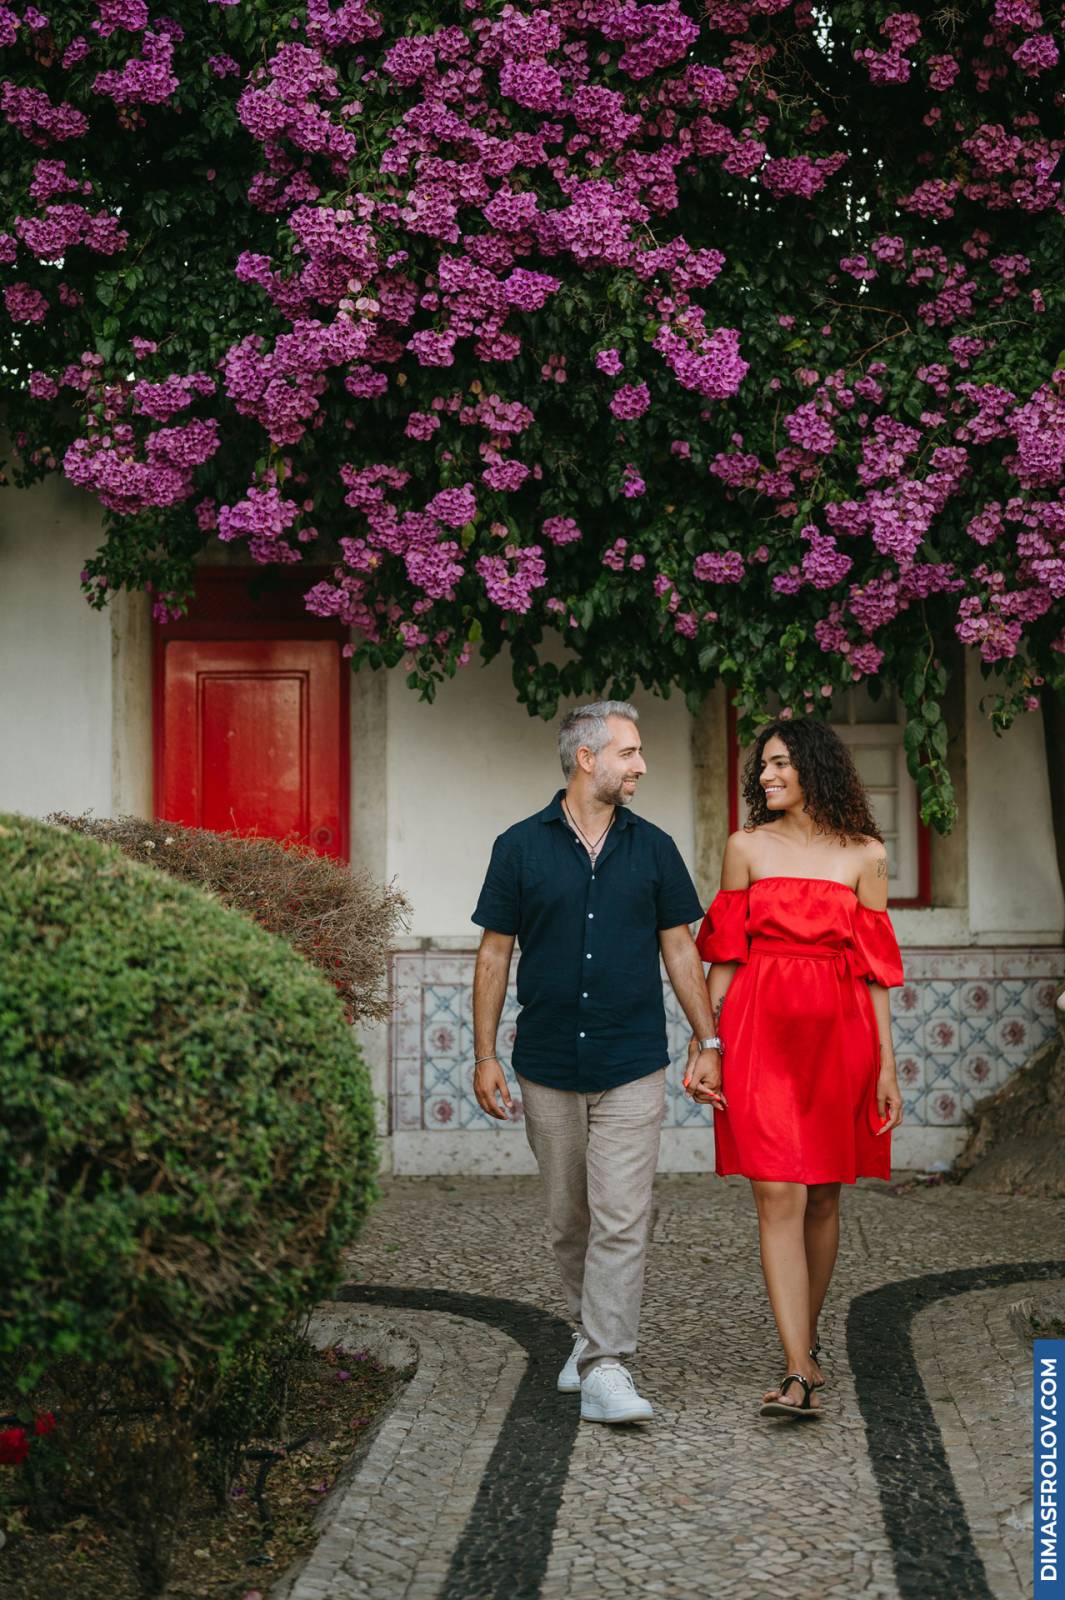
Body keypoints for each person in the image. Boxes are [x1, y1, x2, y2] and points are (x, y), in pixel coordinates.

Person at [471, 700, 721, 1425]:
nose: (641, 765)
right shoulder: (518, 847)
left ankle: (607, 1362)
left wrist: (707, 1041)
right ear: (587, 759)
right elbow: (494, 954)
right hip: (545, 1063)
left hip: (631, 1061)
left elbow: (680, 949)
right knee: (567, 1219)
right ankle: (588, 1333)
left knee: (621, 1216)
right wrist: (484, 1054)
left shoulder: (655, 848)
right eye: (629, 752)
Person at [685, 718, 904, 1420]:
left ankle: (802, 1346)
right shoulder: (745, 847)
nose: (766, 776)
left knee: (824, 1195)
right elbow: (724, 954)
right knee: (777, 1190)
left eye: (780, 763)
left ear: (815, 767)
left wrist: (887, 1067)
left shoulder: (866, 855)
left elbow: (875, 970)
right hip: (759, 1032)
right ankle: (797, 1366)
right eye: (763, 766)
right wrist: (704, 1043)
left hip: (841, 1037)